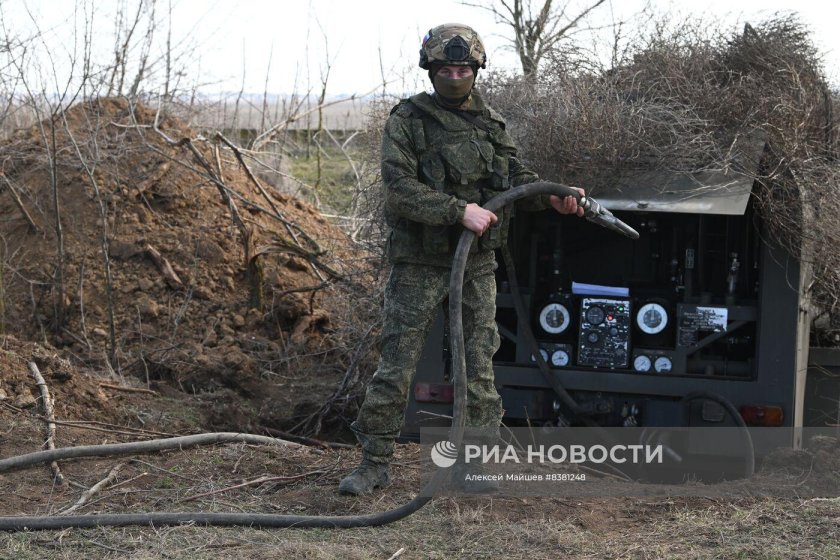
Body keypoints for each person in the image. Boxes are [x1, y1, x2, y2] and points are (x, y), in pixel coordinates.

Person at [338, 23, 584, 495]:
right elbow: (399, 188)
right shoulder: (407, 120)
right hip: (420, 264)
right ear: (431, 69)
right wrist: (458, 212)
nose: (455, 76)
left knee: (479, 368)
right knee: (397, 364)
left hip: (477, 267)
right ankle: (373, 464)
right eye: (446, 68)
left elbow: (516, 179)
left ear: (476, 70)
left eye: (463, 68)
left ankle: (472, 463)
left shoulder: (490, 123)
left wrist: (553, 196)